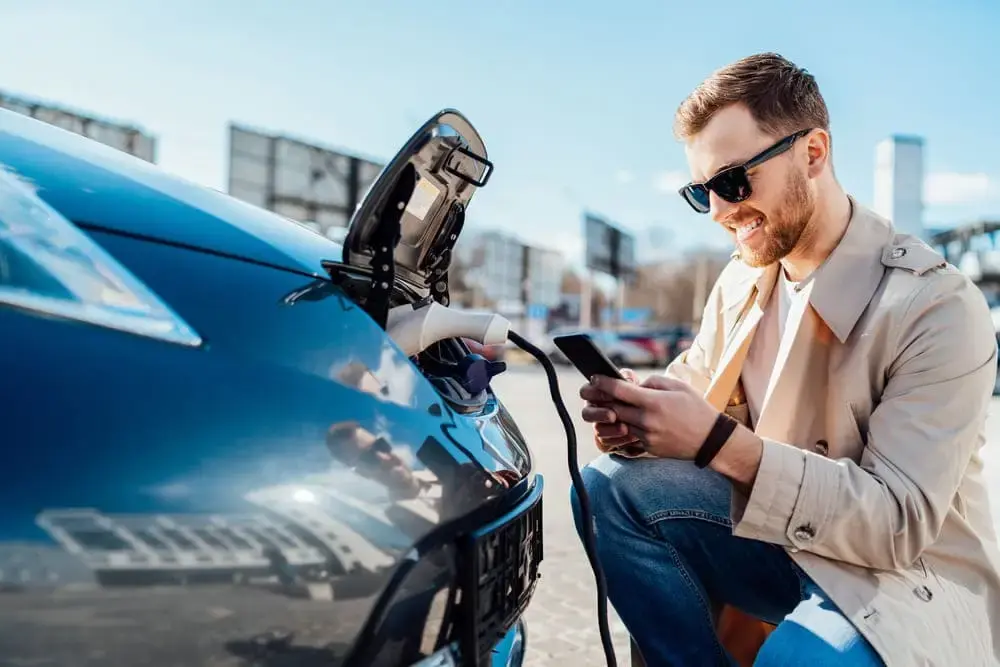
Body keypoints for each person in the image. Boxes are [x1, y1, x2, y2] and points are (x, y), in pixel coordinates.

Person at [572, 52, 1000, 667]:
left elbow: (899, 525)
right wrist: (644, 415)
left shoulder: (936, 304)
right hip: (782, 542)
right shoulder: (743, 281)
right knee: (608, 487)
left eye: (733, 182)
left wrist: (718, 441)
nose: (719, 212)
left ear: (814, 153)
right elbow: (694, 389)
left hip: (902, 581)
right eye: (701, 192)